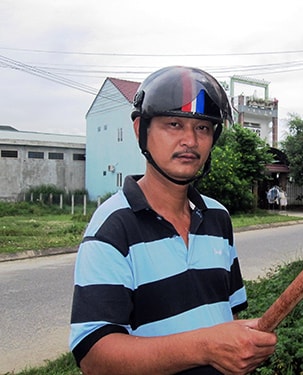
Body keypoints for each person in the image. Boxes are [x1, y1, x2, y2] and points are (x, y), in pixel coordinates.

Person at [69, 66, 277, 375]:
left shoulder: (218, 218)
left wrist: (242, 346)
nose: (190, 140)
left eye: (203, 128)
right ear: (141, 130)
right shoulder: (112, 227)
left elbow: (225, 317)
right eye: (174, 124)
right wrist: (207, 346)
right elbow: (94, 357)